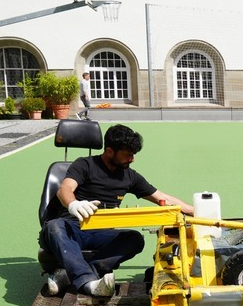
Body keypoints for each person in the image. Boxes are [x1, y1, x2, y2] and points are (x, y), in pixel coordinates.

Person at [39, 124, 194, 296]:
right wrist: (74, 204)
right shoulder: (84, 165)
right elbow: (65, 189)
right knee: (54, 226)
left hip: (101, 233)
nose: (132, 159)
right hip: (71, 228)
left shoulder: (129, 176)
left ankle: (76, 274)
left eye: (133, 154)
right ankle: (88, 283)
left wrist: (195, 211)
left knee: (134, 239)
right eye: (128, 154)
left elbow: (162, 198)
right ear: (110, 151)